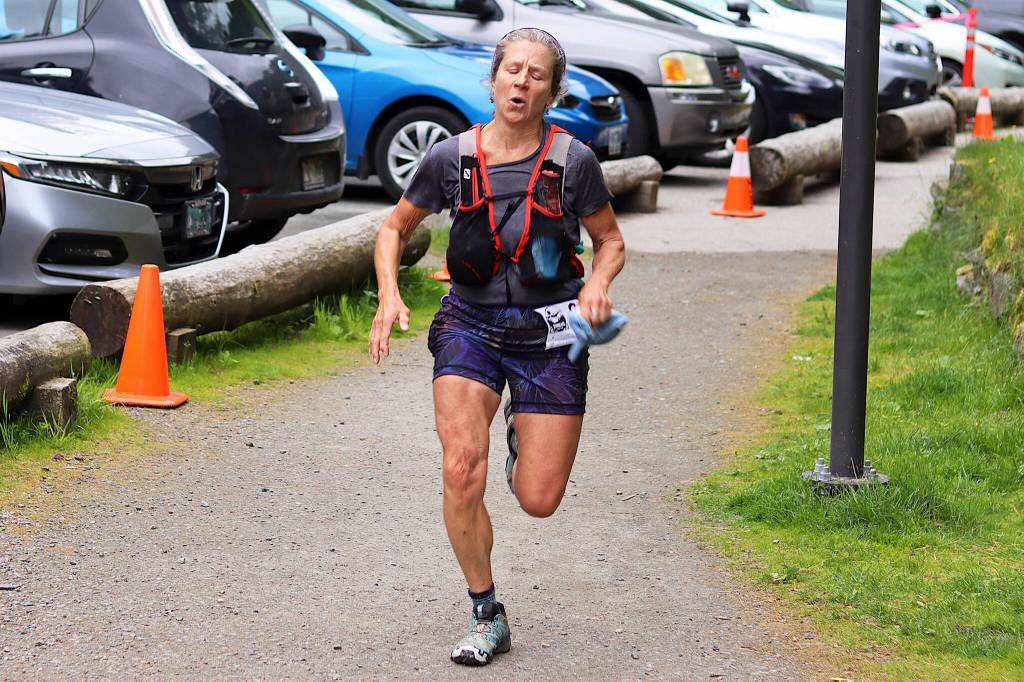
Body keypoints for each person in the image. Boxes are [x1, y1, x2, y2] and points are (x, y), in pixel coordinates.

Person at [369, 27, 625, 666]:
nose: (521, 82)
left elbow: (610, 241)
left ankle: (519, 435)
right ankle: (486, 611)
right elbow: (393, 228)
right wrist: (388, 296)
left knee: (539, 500)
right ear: (493, 80)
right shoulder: (451, 157)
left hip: (549, 336)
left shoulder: (573, 162)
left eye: (536, 75)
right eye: (513, 70)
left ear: (551, 92)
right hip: (470, 325)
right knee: (461, 467)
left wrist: (597, 284)